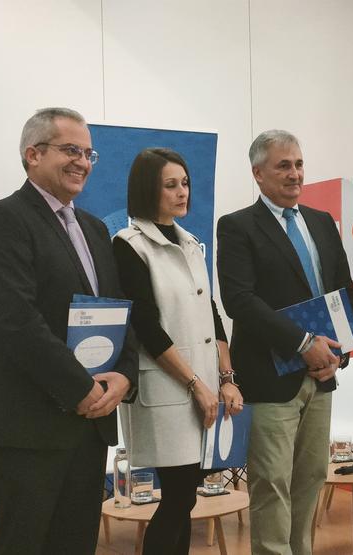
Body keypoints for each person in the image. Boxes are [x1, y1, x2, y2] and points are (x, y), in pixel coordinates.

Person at [0, 107, 138, 554]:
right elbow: (14, 321)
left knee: (75, 544)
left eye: (88, 152)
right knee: (22, 544)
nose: (82, 161)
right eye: (70, 150)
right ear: (33, 154)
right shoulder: (2, 220)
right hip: (30, 423)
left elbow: (120, 311)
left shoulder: (96, 229)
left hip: (91, 420)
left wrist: (125, 375)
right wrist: (79, 386)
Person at [216, 129, 353, 555]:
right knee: (273, 482)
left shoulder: (320, 223)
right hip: (270, 375)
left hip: (321, 374)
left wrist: (338, 353)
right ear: (258, 173)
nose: (295, 174)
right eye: (283, 165)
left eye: (298, 164)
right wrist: (303, 343)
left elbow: (340, 293)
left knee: (310, 477)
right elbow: (240, 300)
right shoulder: (237, 226)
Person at [112, 147, 243, 554]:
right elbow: (146, 326)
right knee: (179, 497)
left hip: (202, 384)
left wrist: (225, 378)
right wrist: (195, 384)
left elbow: (212, 313)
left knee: (184, 498)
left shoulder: (190, 242)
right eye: (170, 185)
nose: (182, 192)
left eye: (184, 183)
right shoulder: (129, 244)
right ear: (147, 190)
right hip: (168, 391)